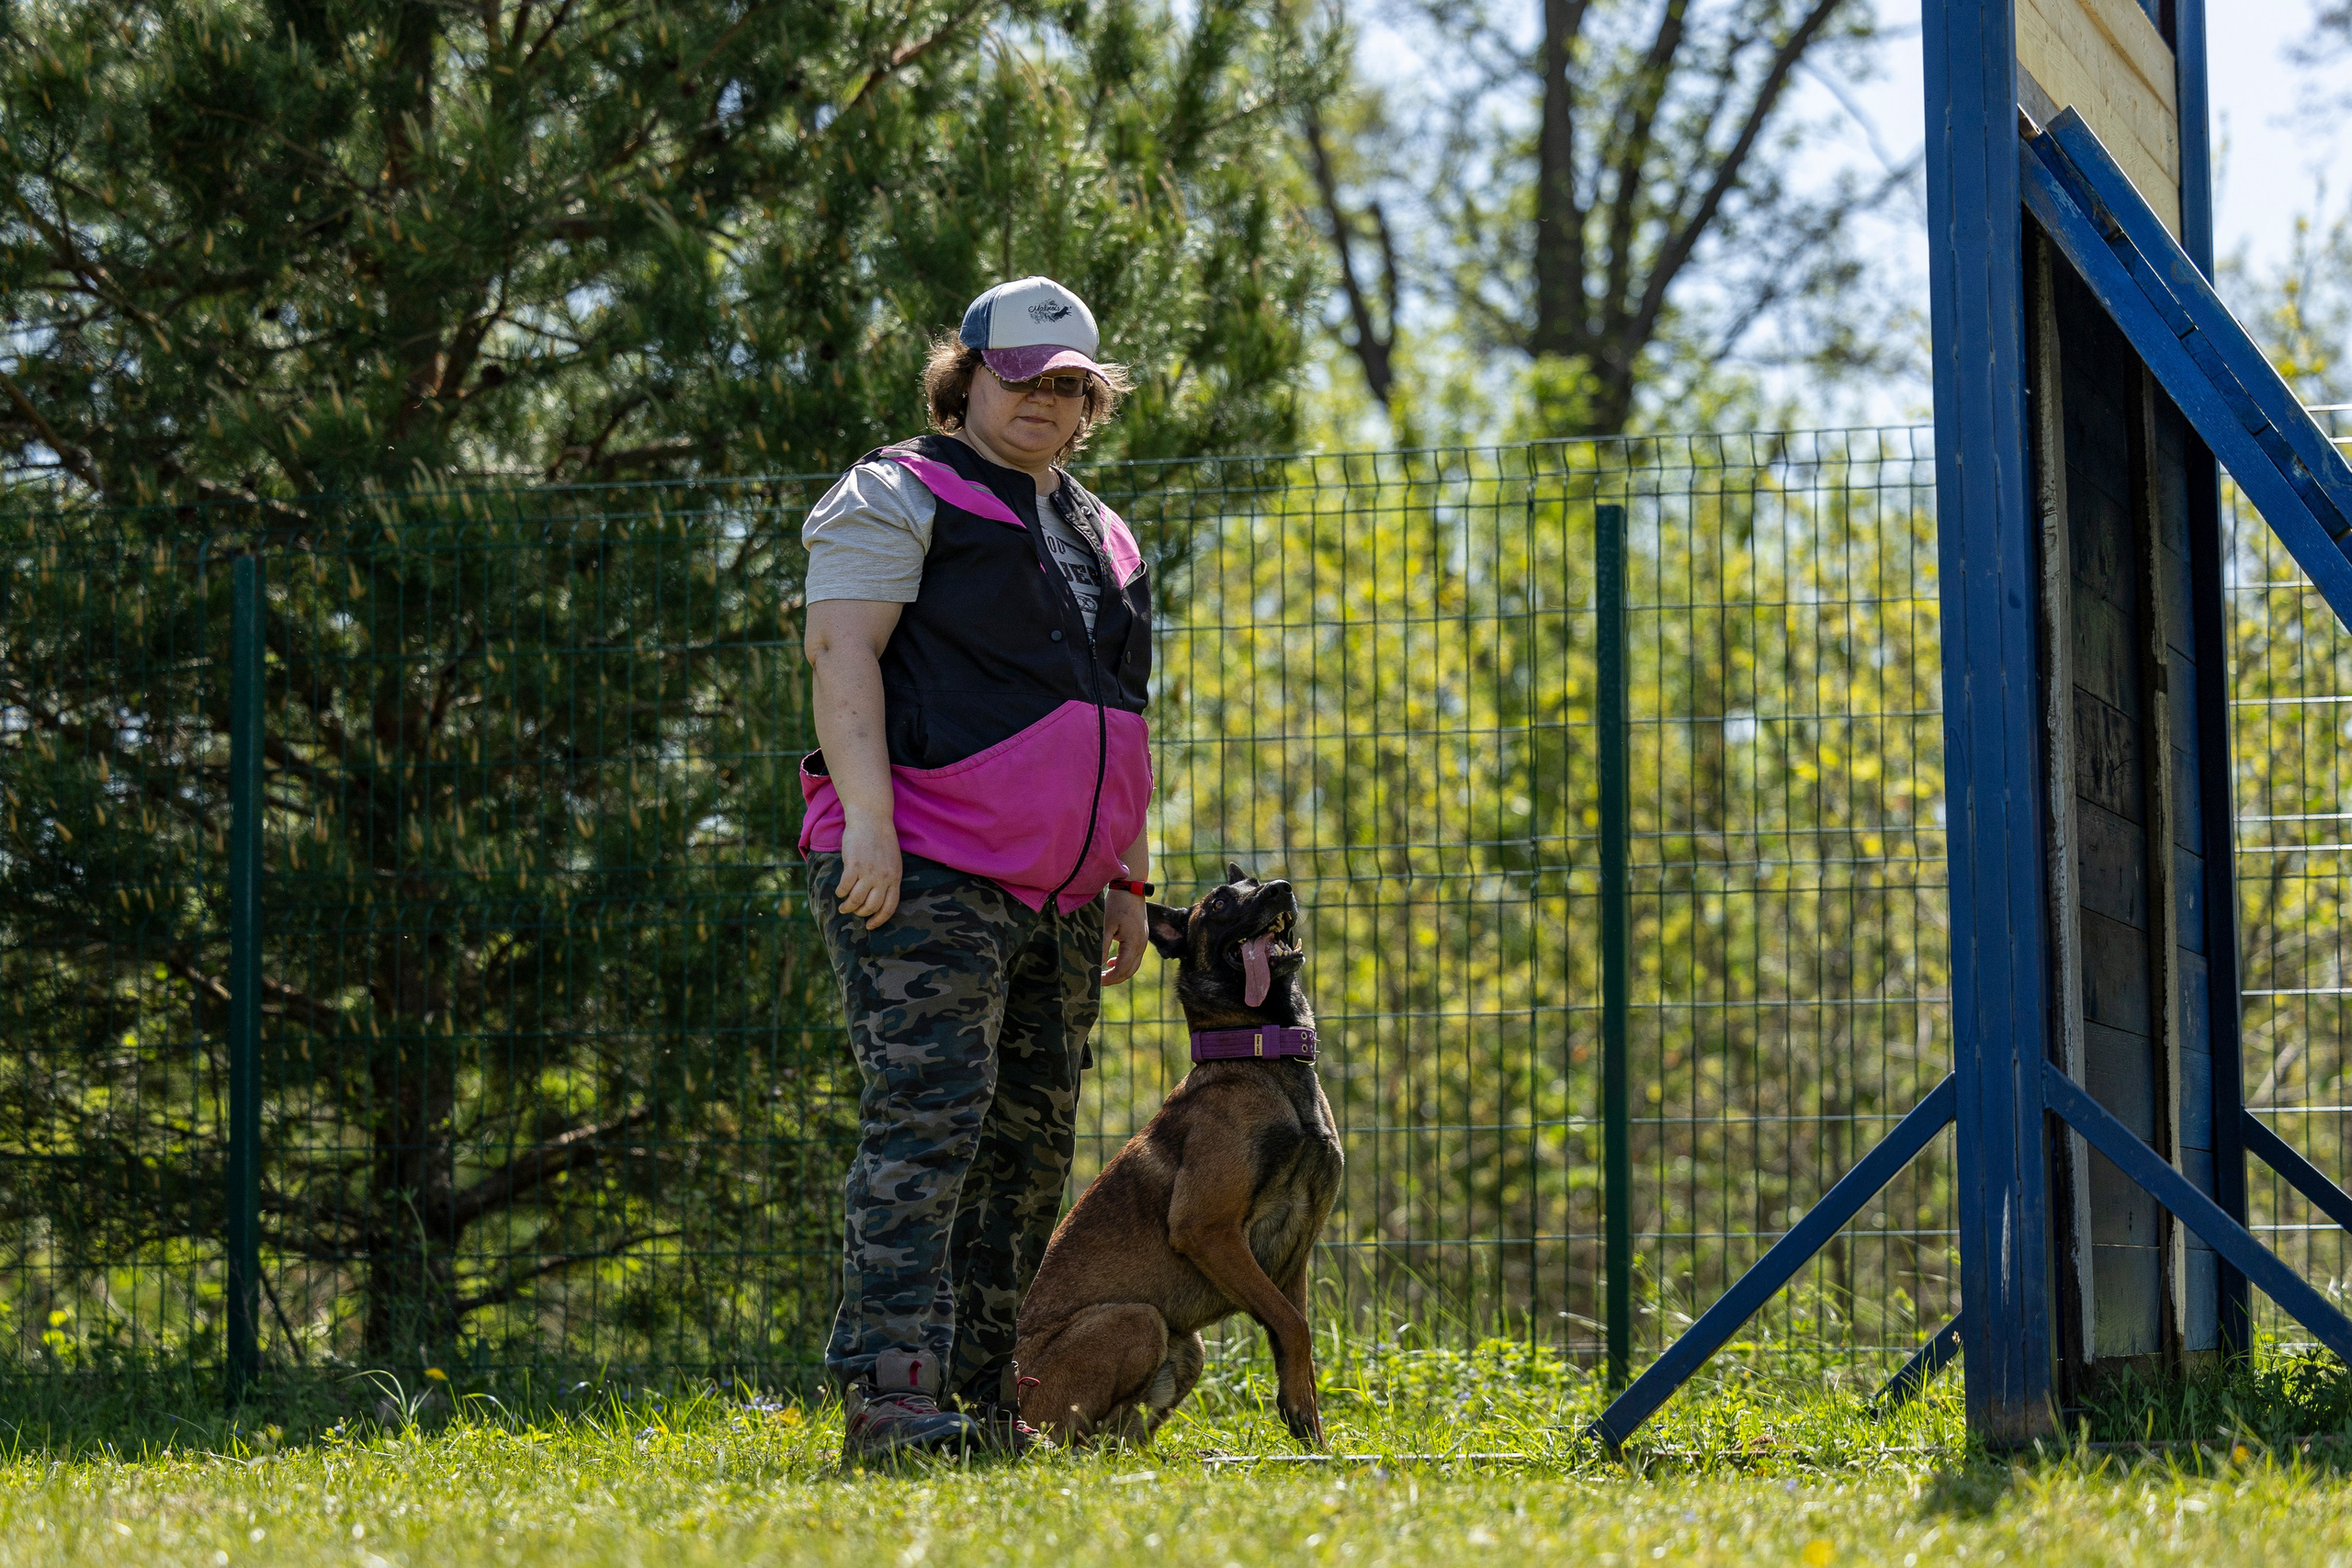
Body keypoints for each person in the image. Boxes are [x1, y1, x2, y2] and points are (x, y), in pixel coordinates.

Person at [797, 277, 1155, 1461]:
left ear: (1089, 401)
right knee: (929, 1125)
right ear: (967, 379)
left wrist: (1127, 876)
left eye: (1067, 385)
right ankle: (891, 1399)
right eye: (1019, 378)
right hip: (922, 864)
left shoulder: (1103, 531)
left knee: (1027, 1148)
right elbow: (840, 651)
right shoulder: (896, 491)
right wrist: (869, 822)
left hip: (1063, 892)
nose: (1042, 401)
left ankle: (983, 1403)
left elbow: (1119, 714)